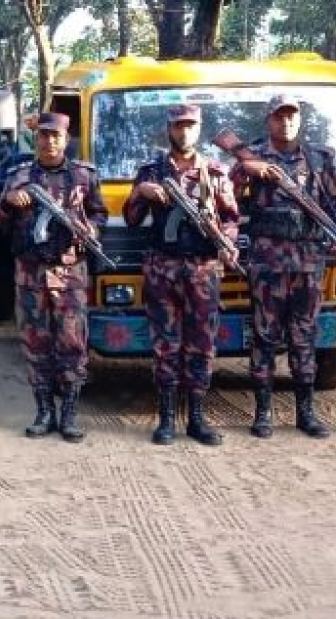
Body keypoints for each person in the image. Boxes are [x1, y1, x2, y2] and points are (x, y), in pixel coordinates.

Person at [123, 104, 240, 446]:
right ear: (169, 129)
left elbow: (232, 218)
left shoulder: (216, 174)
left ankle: (198, 418)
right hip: (164, 267)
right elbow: (131, 218)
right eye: (179, 126)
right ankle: (166, 418)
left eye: (190, 126)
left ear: (199, 129)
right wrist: (140, 193)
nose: (184, 131)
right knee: (165, 344)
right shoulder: (150, 171)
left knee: (202, 344)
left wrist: (225, 240)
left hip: (203, 269)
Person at [230, 94, 336, 439]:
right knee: (264, 338)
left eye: (292, 116)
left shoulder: (319, 159)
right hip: (267, 262)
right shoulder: (252, 156)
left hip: (307, 262)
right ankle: (263, 413)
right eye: (280, 116)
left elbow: (332, 206)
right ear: (269, 120)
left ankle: (305, 414)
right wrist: (245, 170)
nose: (286, 122)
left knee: (304, 337)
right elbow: (227, 200)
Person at [0, 112, 107, 443]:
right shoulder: (19, 176)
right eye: (43, 135)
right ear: (36, 139)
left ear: (65, 138)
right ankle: (44, 412)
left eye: (55, 135)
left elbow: (100, 213)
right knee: (36, 342)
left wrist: (90, 228)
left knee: (72, 343)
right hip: (30, 273)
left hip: (69, 273)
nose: (49, 141)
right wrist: (9, 203)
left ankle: (69, 413)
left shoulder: (84, 176)